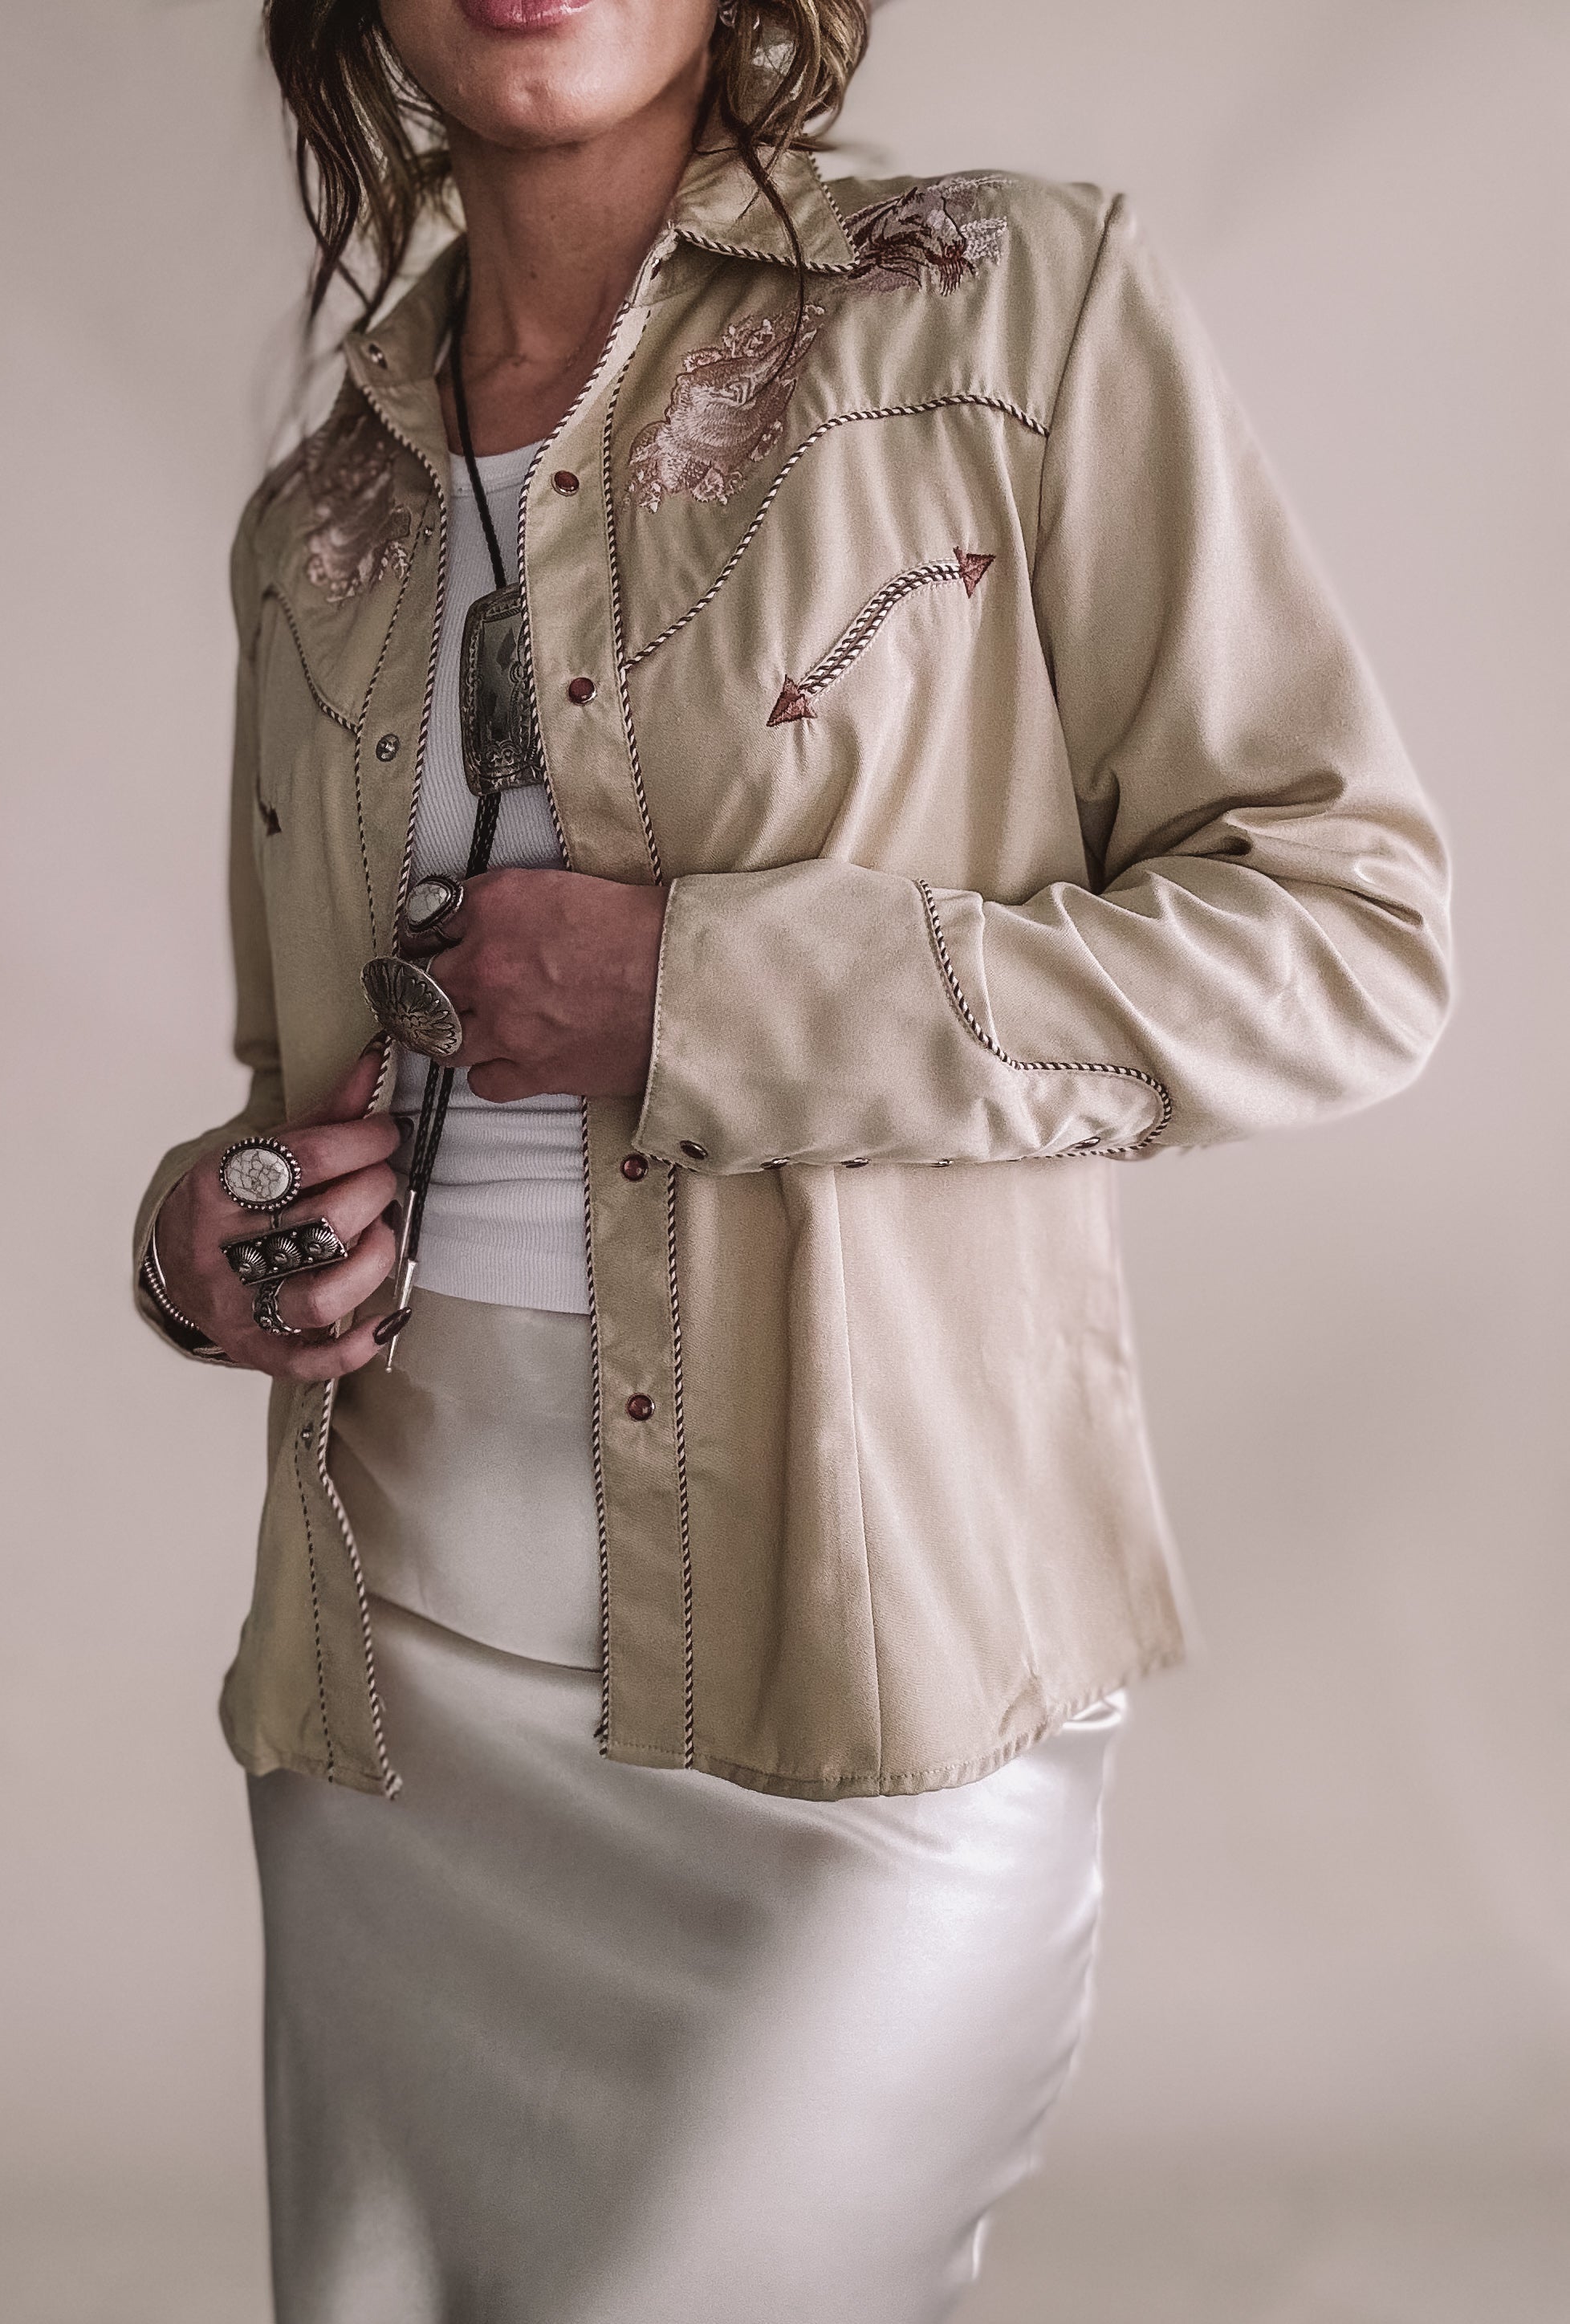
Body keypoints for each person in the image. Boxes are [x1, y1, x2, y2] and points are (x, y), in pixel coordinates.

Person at [132, 1, 1450, 2314]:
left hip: (865, 1636)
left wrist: (704, 992)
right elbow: (295, 1095)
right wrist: (202, 1245)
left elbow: (1343, 943)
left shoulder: (1004, 307)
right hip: (406, 1682)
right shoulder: (320, 512)